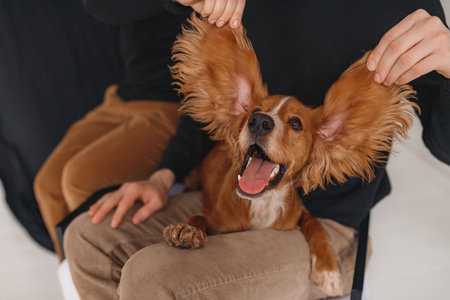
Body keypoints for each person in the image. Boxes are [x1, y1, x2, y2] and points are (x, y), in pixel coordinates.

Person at [64, 0, 450, 299]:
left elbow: (443, 146)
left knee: (153, 276)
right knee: (87, 239)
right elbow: (102, 6)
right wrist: (164, 176)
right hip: (231, 199)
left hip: (326, 223)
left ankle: (341, 263)